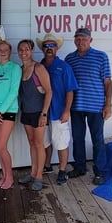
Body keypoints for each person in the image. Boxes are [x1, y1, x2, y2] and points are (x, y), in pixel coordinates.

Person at [65, 27, 112, 185]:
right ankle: (80, 167)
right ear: (74, 41)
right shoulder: (69, 59)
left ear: (90, 40)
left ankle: (100, 172)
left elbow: (107, 82)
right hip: (76, 106)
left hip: (96, 107)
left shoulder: (101, 56)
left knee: (97, 140)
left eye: (84, 39)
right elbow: (67, 84)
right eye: (78, 39)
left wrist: (108, 104)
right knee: (77, 139)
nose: (81, 42)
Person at [38, 33, 78, 185]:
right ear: (43, 48)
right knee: (45, 142)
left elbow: (70, 90)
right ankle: (47, 166)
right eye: (46, 45)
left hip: (58, 112)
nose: (49, 48)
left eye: (52, 45)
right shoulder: (39, 66)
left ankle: (62, 170)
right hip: (42, 113)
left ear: (56, 48)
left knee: (61, 142)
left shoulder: (64, 67)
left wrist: (66, 110)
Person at [16, 39, 52, 191]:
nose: (23, 52)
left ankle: (39, 176)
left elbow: (49, 91)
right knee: (31, 142)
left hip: (39, 112)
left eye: (27, 49)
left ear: (31, 51)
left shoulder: (39, 68)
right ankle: (32, 172)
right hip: (26, 111)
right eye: (21, 50)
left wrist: (44, 114)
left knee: (39, 143)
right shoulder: (19, 69)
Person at [0, 40, 21, 190]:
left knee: (1, 147)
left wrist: (0, 111)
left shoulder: (15, 68)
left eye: (5, 49)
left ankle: (10, 177)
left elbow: (14, 92)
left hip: (8, 111)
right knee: (0, 147)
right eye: (0, 49)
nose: (3, 51)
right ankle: (4, 174)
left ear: (10, 51)